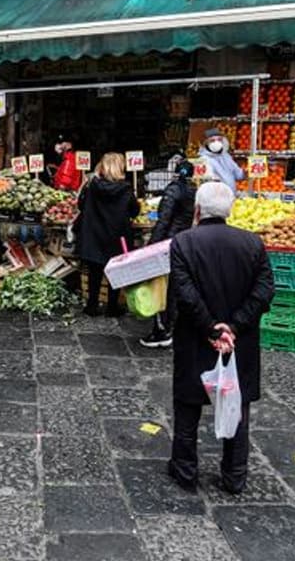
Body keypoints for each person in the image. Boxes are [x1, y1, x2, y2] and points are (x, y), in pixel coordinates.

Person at [167, 182, 273, 495]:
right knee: (236, 406)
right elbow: (264, 291)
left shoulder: (183, 242)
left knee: (188, 405)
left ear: (197, 210)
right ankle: (234, 475)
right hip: (238, 342)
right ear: (230, 210)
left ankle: (185, 470)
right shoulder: (252, 243)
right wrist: (234, 327)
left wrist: (212, 328)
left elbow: (185, 294)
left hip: (195, 337)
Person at [73, 152, 140, 318]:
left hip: (94, 234)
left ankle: (92, 306)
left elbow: (81, 205)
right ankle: (112, 307)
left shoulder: (92, 186)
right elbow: (134, 210)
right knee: (115, 271)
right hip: (117, 235)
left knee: (94, 271)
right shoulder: (126, 189)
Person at [139, 160, 196, 348]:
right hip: (184, 242)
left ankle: (162, 330)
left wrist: (152, 245)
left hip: (168, 244)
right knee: (176, 287)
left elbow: (164, 220)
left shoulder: (173, 190)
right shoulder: (193, 190)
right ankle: (175, 328)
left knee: (162, 288)